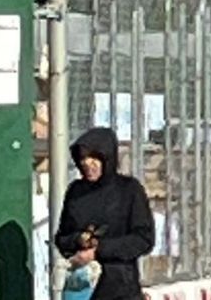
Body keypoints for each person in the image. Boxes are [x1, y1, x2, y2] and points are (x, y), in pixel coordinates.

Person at [53, 127, 157, 299]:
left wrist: (99, 250)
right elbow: (62, 237)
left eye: (94, 158)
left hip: (120, 289)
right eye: (83, 158)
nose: (87, 163)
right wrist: (78, 240)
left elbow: (143, 239)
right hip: (82, 289)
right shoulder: (76, 192)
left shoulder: (129, 191)